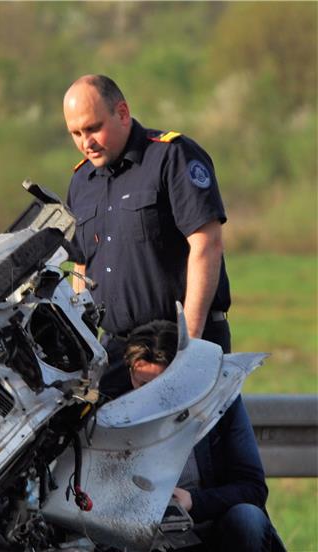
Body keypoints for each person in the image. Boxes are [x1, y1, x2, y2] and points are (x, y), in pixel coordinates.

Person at [62, 74, 231, 397]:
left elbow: (206, 244)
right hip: (118, 350)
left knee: (197, 448)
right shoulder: (82, 180)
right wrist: (83, 344)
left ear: (122, 113)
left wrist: (189, 345)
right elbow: (81, 268)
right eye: (76, 133)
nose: (86, 142)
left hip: (179, 342)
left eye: (93, 128)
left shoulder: (171, 157)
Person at [124, 320, 284, 552]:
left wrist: (193, 502)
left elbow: (253, 488)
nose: (152, 396)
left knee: (247, 518)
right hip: (148, 536)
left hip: (214, 528)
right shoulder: (116, 416)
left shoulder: (219, 405)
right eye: (143, 385)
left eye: (164, 386)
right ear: (131, 375)